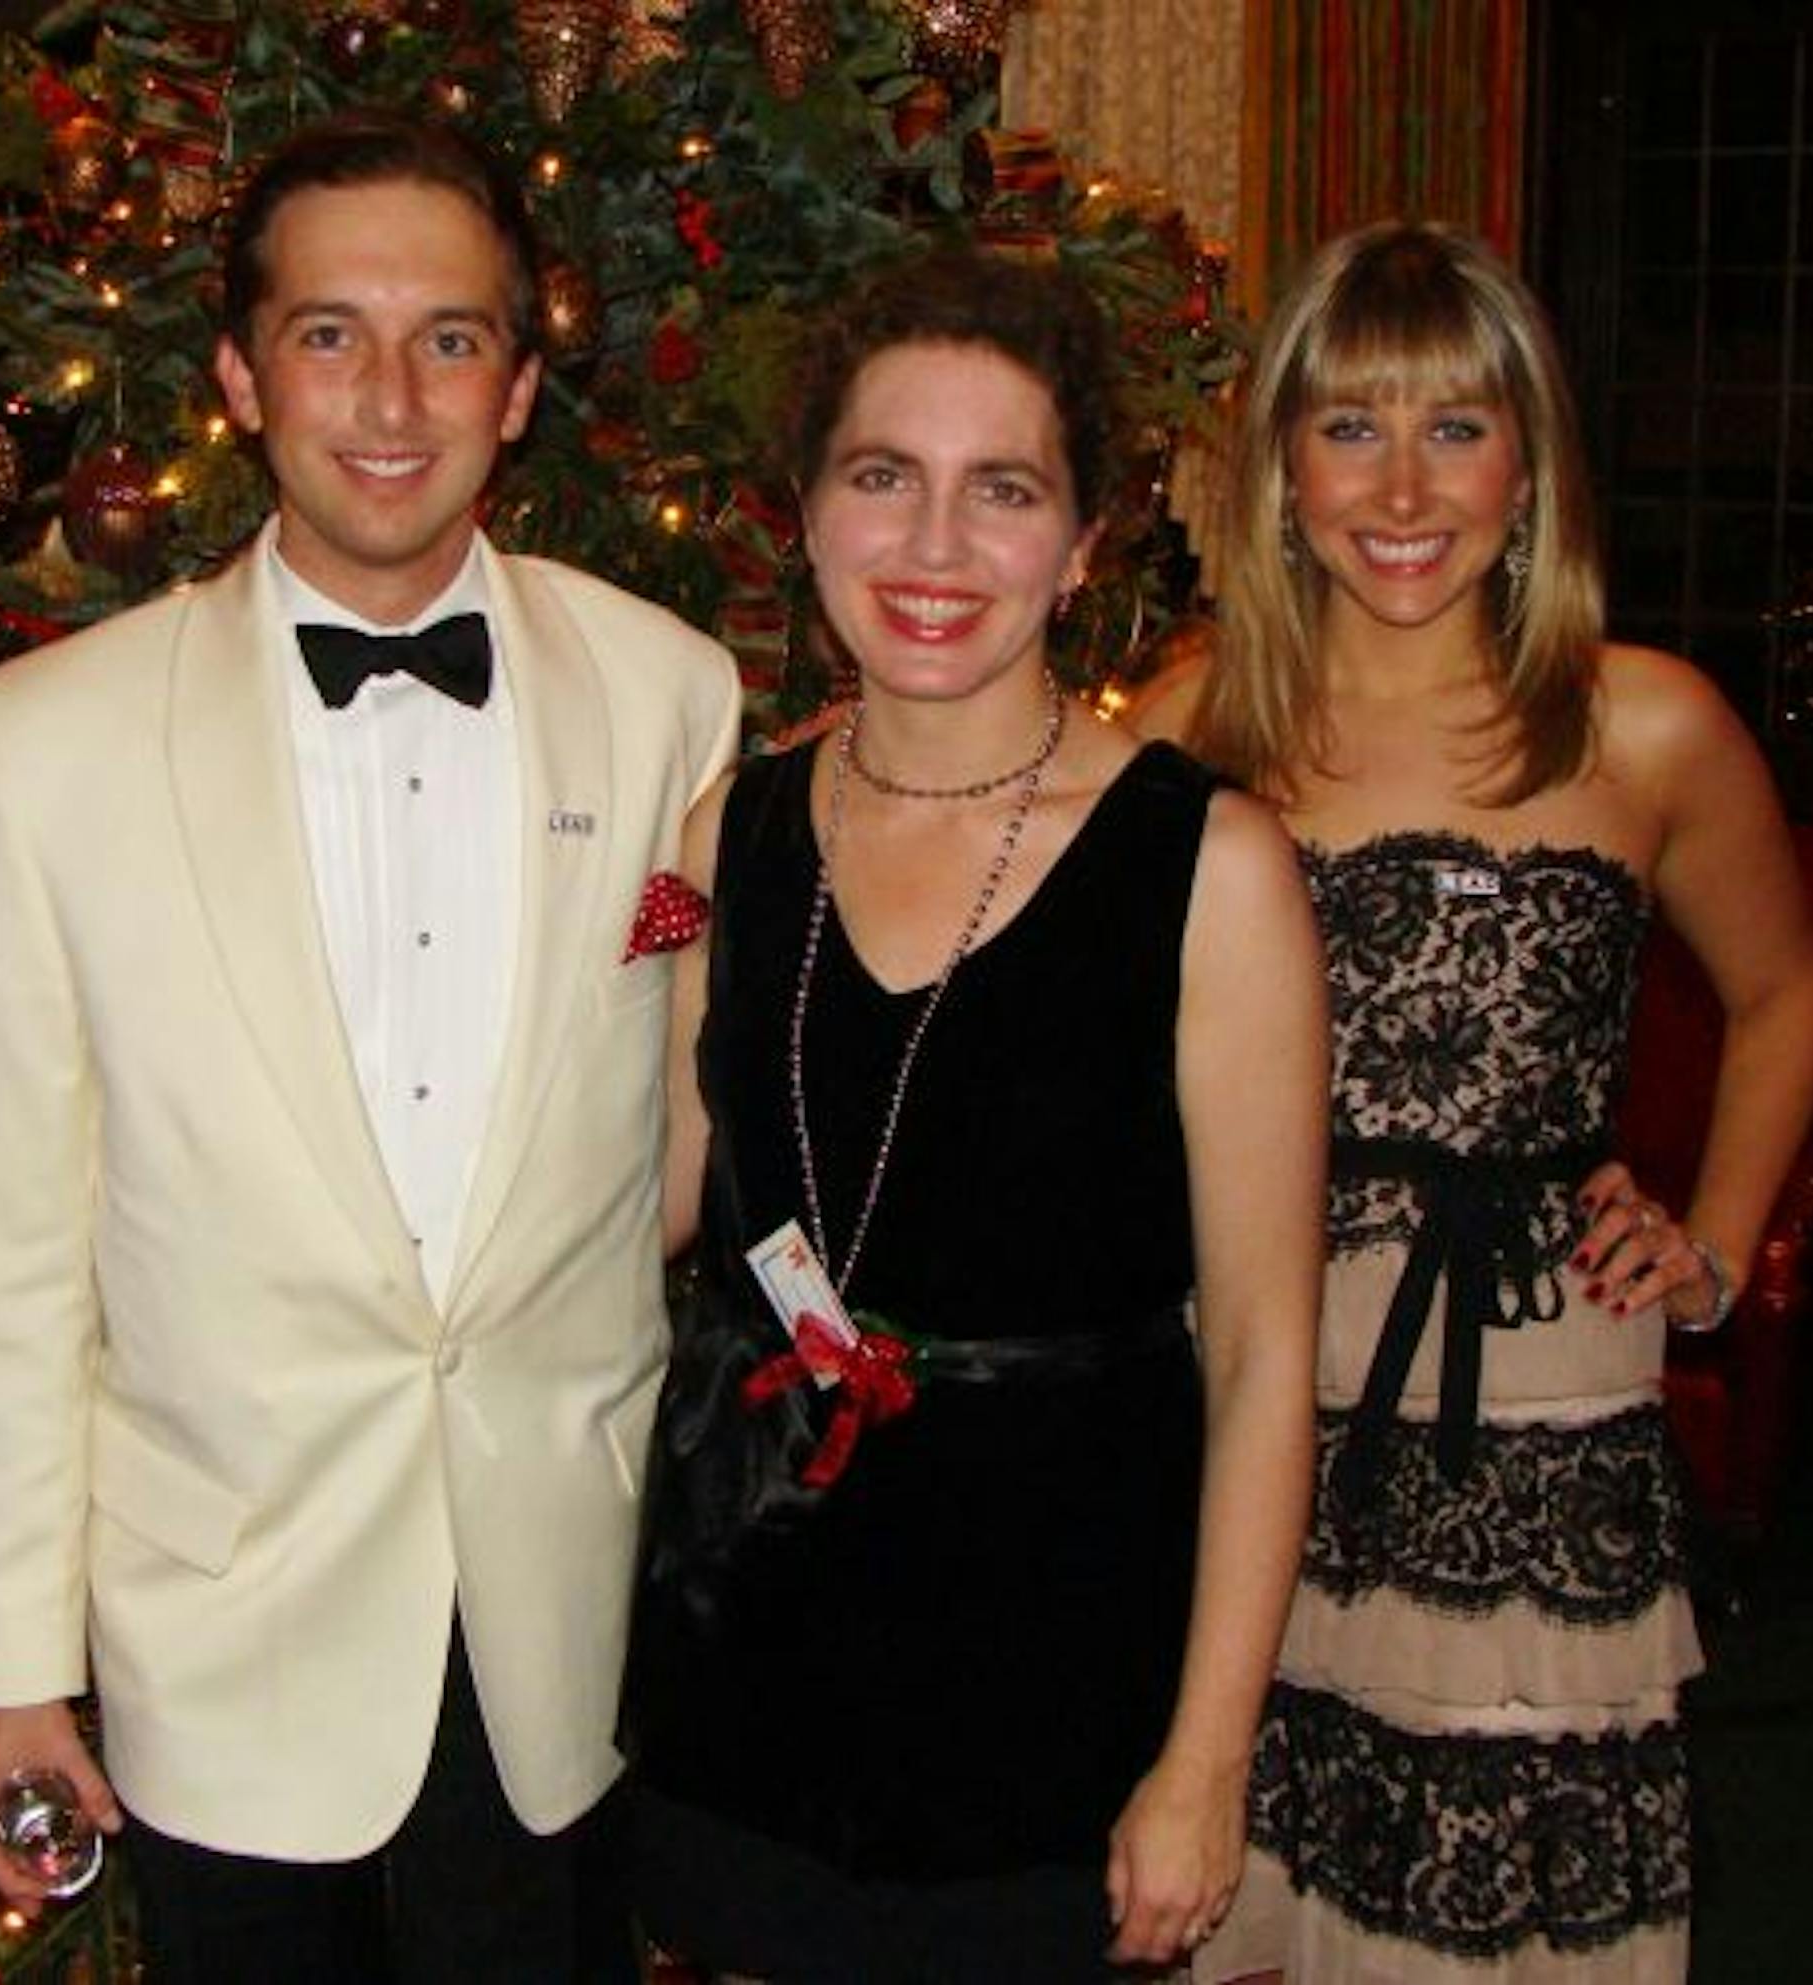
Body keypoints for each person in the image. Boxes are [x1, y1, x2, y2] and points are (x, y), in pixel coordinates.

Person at [0, 109, 741, 1982]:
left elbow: (678, 1086)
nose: (391, 393)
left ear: (522, 385)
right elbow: (13, 1251)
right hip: (220, 1625)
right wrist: (7, 1670)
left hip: (556, 1622)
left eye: (451, 337)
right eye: (327, 332)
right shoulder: (48, 743)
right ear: (239, 372)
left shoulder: (670, 693)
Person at [622, 247, 1329, 1980]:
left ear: (1083, 544)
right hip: (753, 1642)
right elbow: (642, 1214)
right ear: (806, 516)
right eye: (885, 478)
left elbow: (1259, 1353)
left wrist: (1206, 1757)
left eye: (1000, 490)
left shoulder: (1210, 868)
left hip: (1057, 1663)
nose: (935, 549)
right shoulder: (728, 840)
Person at [1142, 221, 1813, 1980]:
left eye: (1456, 428)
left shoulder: (1647, 725)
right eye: (1351, 426)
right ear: (1281, 467)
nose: (1402, 484)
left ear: (1528, 470)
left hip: (1542, 1385)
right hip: (1246, 1380)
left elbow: (1784, 989)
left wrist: (1717, 1251)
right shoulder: (1192, 723)